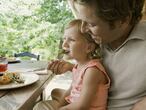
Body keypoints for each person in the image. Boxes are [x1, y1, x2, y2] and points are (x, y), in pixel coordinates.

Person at [46, 0, 146, 110]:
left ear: (122, 21)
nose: (83, 29)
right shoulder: (97, 39)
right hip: (94, 101)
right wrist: (71, 68)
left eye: (91, 24)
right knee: (52, 95)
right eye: (82, 21)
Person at [33, 19, 110, 110]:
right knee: (50, 97)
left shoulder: (92, 71)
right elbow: (71, 90)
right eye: (64, 39)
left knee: (40, 106)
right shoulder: (78, 66)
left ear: (88, 47)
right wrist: (59, 106)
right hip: (75, 105)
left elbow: (82, 105)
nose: (64, 44)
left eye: (71, 40)